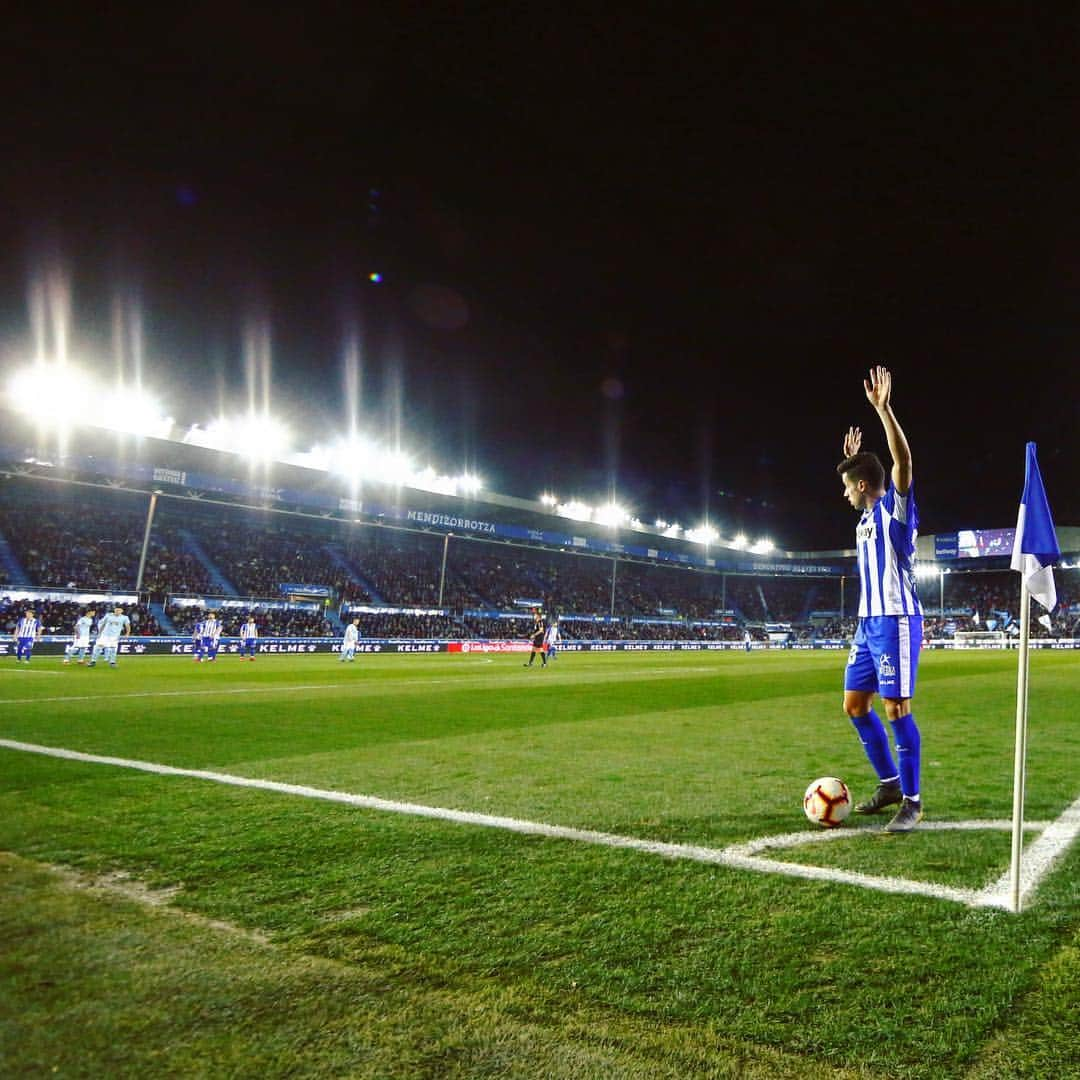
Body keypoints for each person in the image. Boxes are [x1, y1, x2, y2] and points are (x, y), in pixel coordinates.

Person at [837, 366, 924, 833]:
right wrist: (853, 461)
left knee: (896, 709)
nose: (846, 494)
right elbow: (866, 478)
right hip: (867, 624)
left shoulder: (893, 508)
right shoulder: (864, 519)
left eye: (849, 486)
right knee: (855, 705)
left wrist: (884, 410)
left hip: (896, 620)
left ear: (867, 487)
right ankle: (889, 783)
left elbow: (902, 466)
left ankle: (912, 800)